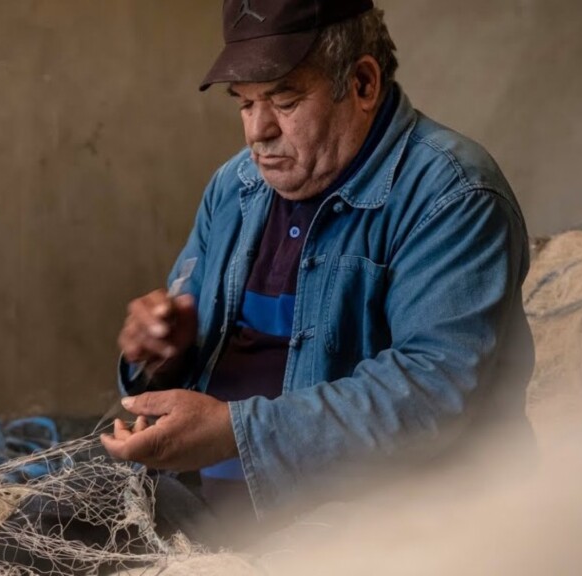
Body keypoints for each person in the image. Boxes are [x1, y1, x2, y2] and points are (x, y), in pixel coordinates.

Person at [102, 0, 535, 525]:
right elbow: (184, 352)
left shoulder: (454, 196)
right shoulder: (234, 188)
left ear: (363, 84)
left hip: (383, 528)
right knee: (59, 513)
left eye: (284, 100)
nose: (257, 131)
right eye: (243, 103)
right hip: (213, 512)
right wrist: (161, 352)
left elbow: (431, 395)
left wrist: (237, 431)